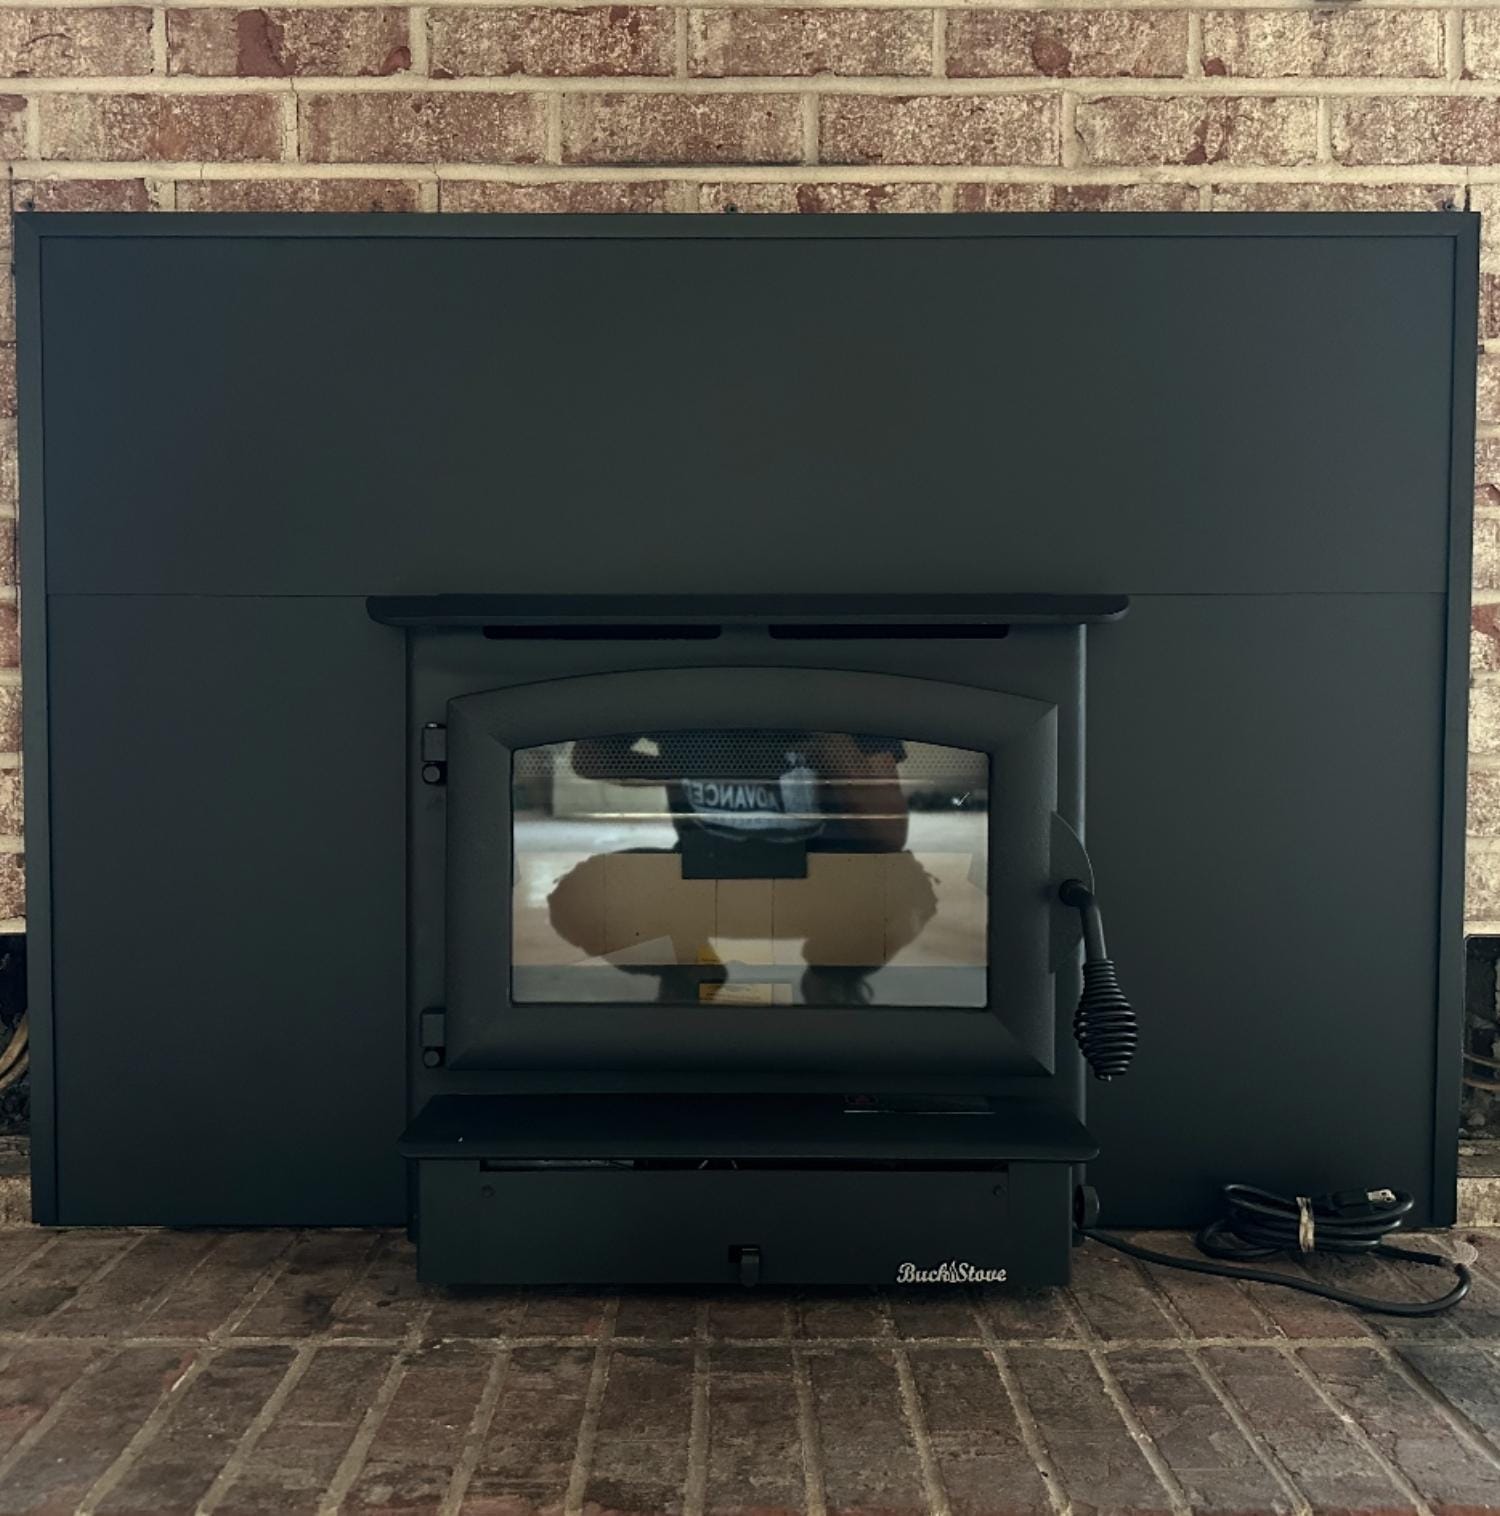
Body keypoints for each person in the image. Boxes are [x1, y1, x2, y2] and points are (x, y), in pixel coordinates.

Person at [545, 730, 937, 1005]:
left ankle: (833, 978)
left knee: (903, 891)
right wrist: (682, 768)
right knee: (584, 897)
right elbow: (590, 758)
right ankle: (690, 971)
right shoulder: (681, 685)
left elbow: (888, 834)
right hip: (704, 882)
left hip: (816, 888)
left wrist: (824, 732)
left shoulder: (834, 690)